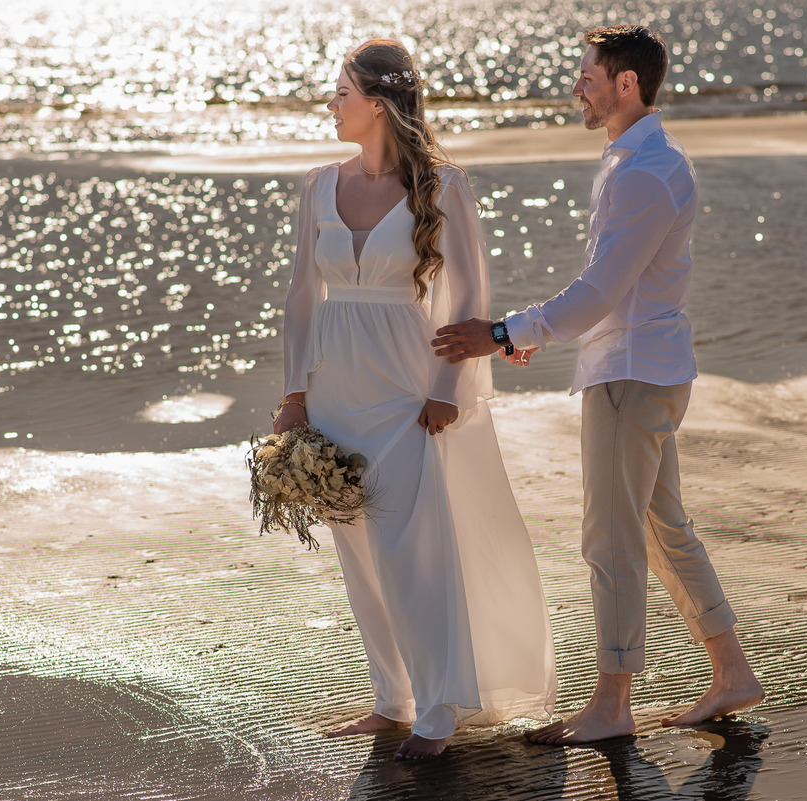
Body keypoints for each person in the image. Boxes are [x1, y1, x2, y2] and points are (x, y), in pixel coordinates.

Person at [431, 25, 764, 745]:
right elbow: (610, 291)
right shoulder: (639, 158)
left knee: (611, 541)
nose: (578, 84)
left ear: (627, 84)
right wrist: (527, 332)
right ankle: (732, 672)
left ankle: (612, 704)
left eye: (589, 74)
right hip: (647, 368)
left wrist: (505, 330)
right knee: (665, 530)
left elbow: (602, 290)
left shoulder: (645, 171)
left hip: (632, 377)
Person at [273, 39, 556, 759]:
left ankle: (439, 708)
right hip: (334, 388)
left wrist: (448, 390)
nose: (332, 104)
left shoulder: (443, 184)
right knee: (359, 547)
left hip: (407, 391)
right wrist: (294, 393)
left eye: (341, 92)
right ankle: (390, 700)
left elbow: (472, 296)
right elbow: (303, 298)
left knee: (412, 549)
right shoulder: (317, 185)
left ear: (376, 102)